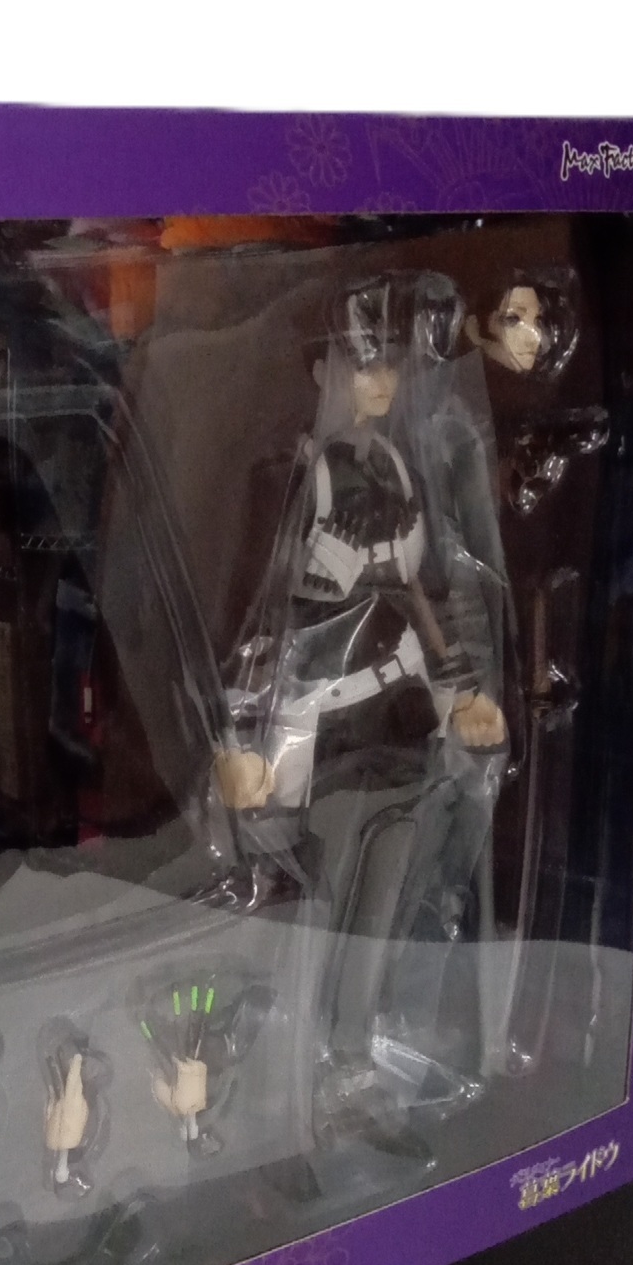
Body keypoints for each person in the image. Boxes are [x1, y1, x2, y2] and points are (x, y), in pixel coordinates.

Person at [214, 273, 507, 1162]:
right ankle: (287, 1102)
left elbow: (425, 591)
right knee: (317, 917)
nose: (380, 381)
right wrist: (239, 739)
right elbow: (255, 615)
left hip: (400, 717)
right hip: (323, 725)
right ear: (323, 371)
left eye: (388, 364)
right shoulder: (294, 477)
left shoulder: (396, 467)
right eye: (362, 363)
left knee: (378, 914)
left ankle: (350, 1076)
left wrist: (463, 694)